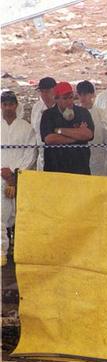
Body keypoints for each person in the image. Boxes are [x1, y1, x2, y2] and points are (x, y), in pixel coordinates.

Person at [1, 91, 37, 266]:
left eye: (11, 104)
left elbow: (31, 152)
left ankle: (18, 251)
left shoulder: (25, 127)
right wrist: (4, 173)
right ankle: (2, 253)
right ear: (1, 106)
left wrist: (16, 173)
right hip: (1, 177)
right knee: (1, 215)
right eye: (5, 104)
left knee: (20, 213)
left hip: (19, 177)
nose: (8, 108)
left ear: (16, 105)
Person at [40, 82, 94, 174]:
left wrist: (59, 130)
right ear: (56, 99)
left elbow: (88, 134)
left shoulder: (82, 112)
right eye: (65, 98)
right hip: (55, 168)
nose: (69, 101)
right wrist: (78, 136)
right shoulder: (48, 115)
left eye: (71, 97)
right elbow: (50, 139)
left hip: (80, 168)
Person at [76, 80, 106, 176]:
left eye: (85, 94)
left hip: (98, 156)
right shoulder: (73, 114)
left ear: (92, 94)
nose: (82, 97)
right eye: (80, 94)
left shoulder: (101, 113)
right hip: (79, 156)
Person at [31, 77, 57, 171]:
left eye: (47, 91)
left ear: (55, 90)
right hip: (42, 157)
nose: (44, 95)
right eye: (42, 91)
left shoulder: (62, 107)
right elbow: (34, 130)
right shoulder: (37, 108)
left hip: (60, 155)